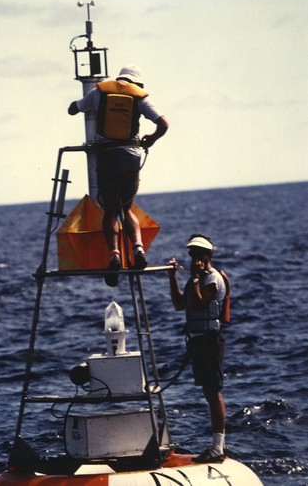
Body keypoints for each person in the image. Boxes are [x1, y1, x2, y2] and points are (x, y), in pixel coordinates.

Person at [68, 65, 168, 286]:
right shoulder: (139, 98)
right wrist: (151, 138)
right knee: (127, 206)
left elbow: (74, 108)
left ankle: (114, 254)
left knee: (110, 210)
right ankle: (138, 249)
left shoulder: (98, 92)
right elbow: (163, 124)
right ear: (136, 83)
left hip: (107, 157)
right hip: (130, 156)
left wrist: (75, 106)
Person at [168, 234, 227, 463]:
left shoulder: (211, 278)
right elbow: (179, 304)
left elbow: (203, 301)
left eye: (199, 253)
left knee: (213, 391)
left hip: (210, 340)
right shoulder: (195, 278)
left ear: (208, 255)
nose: (195, 258)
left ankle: (218, 447)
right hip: (198, 340)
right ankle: (217, 444)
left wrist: (194, 280)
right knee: (207, 391)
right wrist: (172, 277)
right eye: (192, 253)